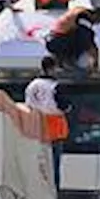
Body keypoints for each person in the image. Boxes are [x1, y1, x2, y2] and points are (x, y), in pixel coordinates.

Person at [24, 56, 70, 187]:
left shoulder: (31, 85)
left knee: (37, 166)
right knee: (53, 166)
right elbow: (64, 105)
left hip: (35, 127)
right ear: (52, 68)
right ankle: (53, 194)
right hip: (54, 130)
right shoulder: (55, 86)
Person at [44, 6, 100, 71]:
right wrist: (95, 60)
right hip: (58, 41)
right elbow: (87, 40)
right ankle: (69, 62)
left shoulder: (80, 11)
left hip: (53, 39)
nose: (97, 23)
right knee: (85, 39)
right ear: (96, 15)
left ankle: (62, 62)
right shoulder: (84, 17)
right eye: (99, 20)